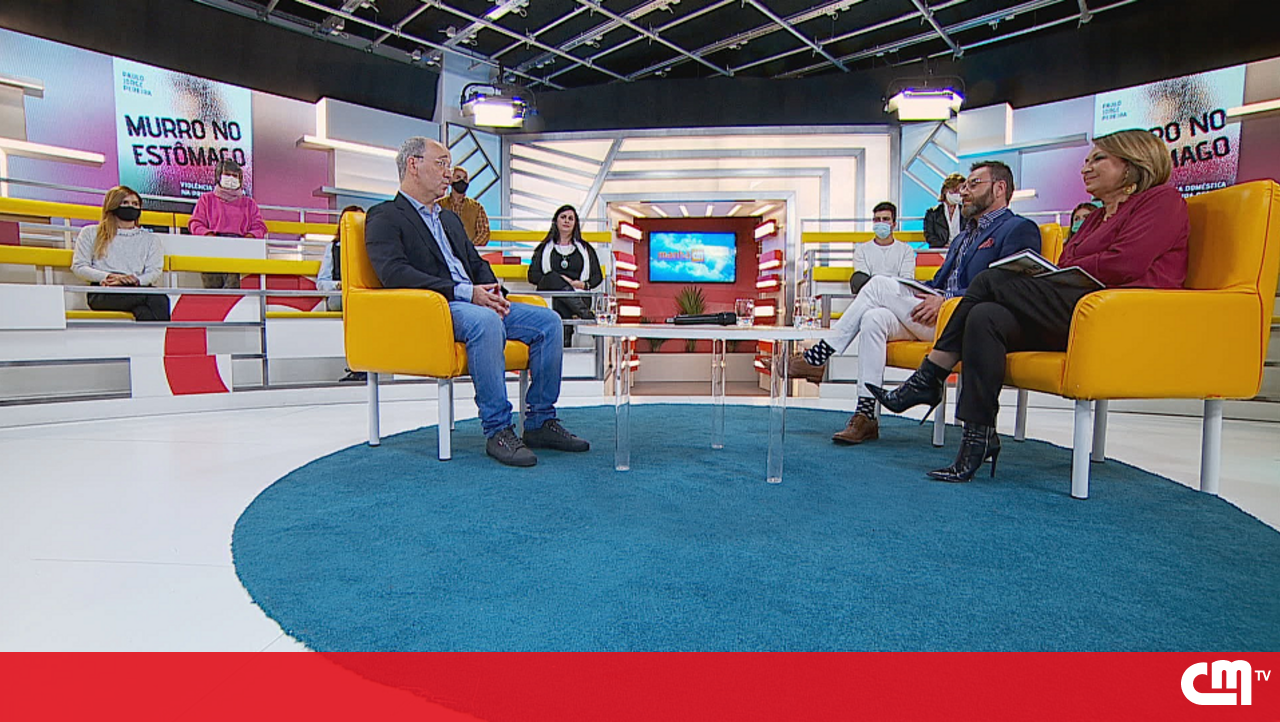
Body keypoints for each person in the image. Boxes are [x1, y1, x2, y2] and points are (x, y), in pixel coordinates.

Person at [869, 129, 1188, 483]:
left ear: (1132, 164)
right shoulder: (1094, 218)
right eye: (1086, 160)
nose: (1085, 168)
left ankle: (931, 375)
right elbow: (1070, 263)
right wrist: (1074, 270)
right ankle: (977, 439)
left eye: (1098, 159)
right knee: (984, 317)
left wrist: (1075, 269)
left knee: (989, 279)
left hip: (1117, 315)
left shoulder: (1162, 201)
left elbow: (1124, 264)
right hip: (1073, 307)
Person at [365, 137, 589, 467]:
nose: (449, 173)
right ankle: (498, 429)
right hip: (437, 307)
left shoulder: (449, 219)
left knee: (549, 322)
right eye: (441, 163)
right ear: (413, 165)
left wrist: (492, 291)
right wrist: (466, 293)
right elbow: (394, 273)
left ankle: (540, 421)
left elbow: (475, 262)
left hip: (474, 300)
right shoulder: (384, 216)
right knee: (486, 321)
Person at [788, 161, 1041, 446]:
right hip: (934, 314)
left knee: (879, 284)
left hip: (966, 322)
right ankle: (866, 414)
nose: (964, 191)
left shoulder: (1019, 229)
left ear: (999, 188)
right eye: (964, 185)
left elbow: (1009, 287)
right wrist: (921, 292)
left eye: (973, 184)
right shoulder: (963, 237)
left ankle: (820, 356)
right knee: (873, 318)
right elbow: (939, 281)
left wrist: (946, 300)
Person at [71, 186, 169, 321]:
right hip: (104, 290)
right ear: (113, 205)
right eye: (125, 203)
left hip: (136, 288)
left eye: (135, 204)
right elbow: (79, 266)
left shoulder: (151, 239)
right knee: (157, 298)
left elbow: (154, 271)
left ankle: (148, 335)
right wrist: (110, 277)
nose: (131, 207)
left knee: (144, 311)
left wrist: (135, 280)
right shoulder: (90, 233)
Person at [527, 204, 604, 345]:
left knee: (562, 301)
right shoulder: (543, 248)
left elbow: (597, 276)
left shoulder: (585, 248)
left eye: (570, 218)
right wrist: (560, 280)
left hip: (579, 294)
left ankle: (565, 346)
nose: (566, 221)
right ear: (556, 221)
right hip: (550, 294)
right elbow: (532, 276)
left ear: (575, 223)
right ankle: (586, 315)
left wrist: (583, 285)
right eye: (563, 217)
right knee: (552, 278)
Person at [188, 159, 268, 288]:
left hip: (238, 249)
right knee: (213, 293)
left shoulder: (249, 204)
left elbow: (259, 226)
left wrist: (249, 238)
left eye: (235, 176)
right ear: (219, 176)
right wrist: (208, 236)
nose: (231, 178)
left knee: (232, 291)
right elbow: (196, 223)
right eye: (227, 174)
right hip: (211, 248)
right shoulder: (206, 199)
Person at [317, 205, 367, 383]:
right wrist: (339, 285)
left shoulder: (370, 246)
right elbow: (322, 283)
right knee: (357, 307)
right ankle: (358, 364)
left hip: (363, 295)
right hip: (341, 295)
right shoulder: (332, 248)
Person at [848, 201, 916, 295]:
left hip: (897, 298)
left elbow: (906, 283)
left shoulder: (906, 250)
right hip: (870, 298)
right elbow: (863, 283)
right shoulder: (861, 251)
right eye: (877, 219)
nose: (881, 223)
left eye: (885, 219)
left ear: (894, 224)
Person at [439, 166, 490, 247]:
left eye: (465, 178)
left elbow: (484, 233)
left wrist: (469, 248)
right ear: (450, 181)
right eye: (458, 177)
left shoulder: (477, 208)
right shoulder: (439, 205)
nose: (462, 181)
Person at [923, 173, 966, 249]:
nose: (958, 194)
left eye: (961, 191)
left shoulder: (966, 212)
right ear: (945, 190)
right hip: (940, 251)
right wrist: (943, 246)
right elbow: (929, 236)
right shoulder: (932, 213)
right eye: (955, 190)